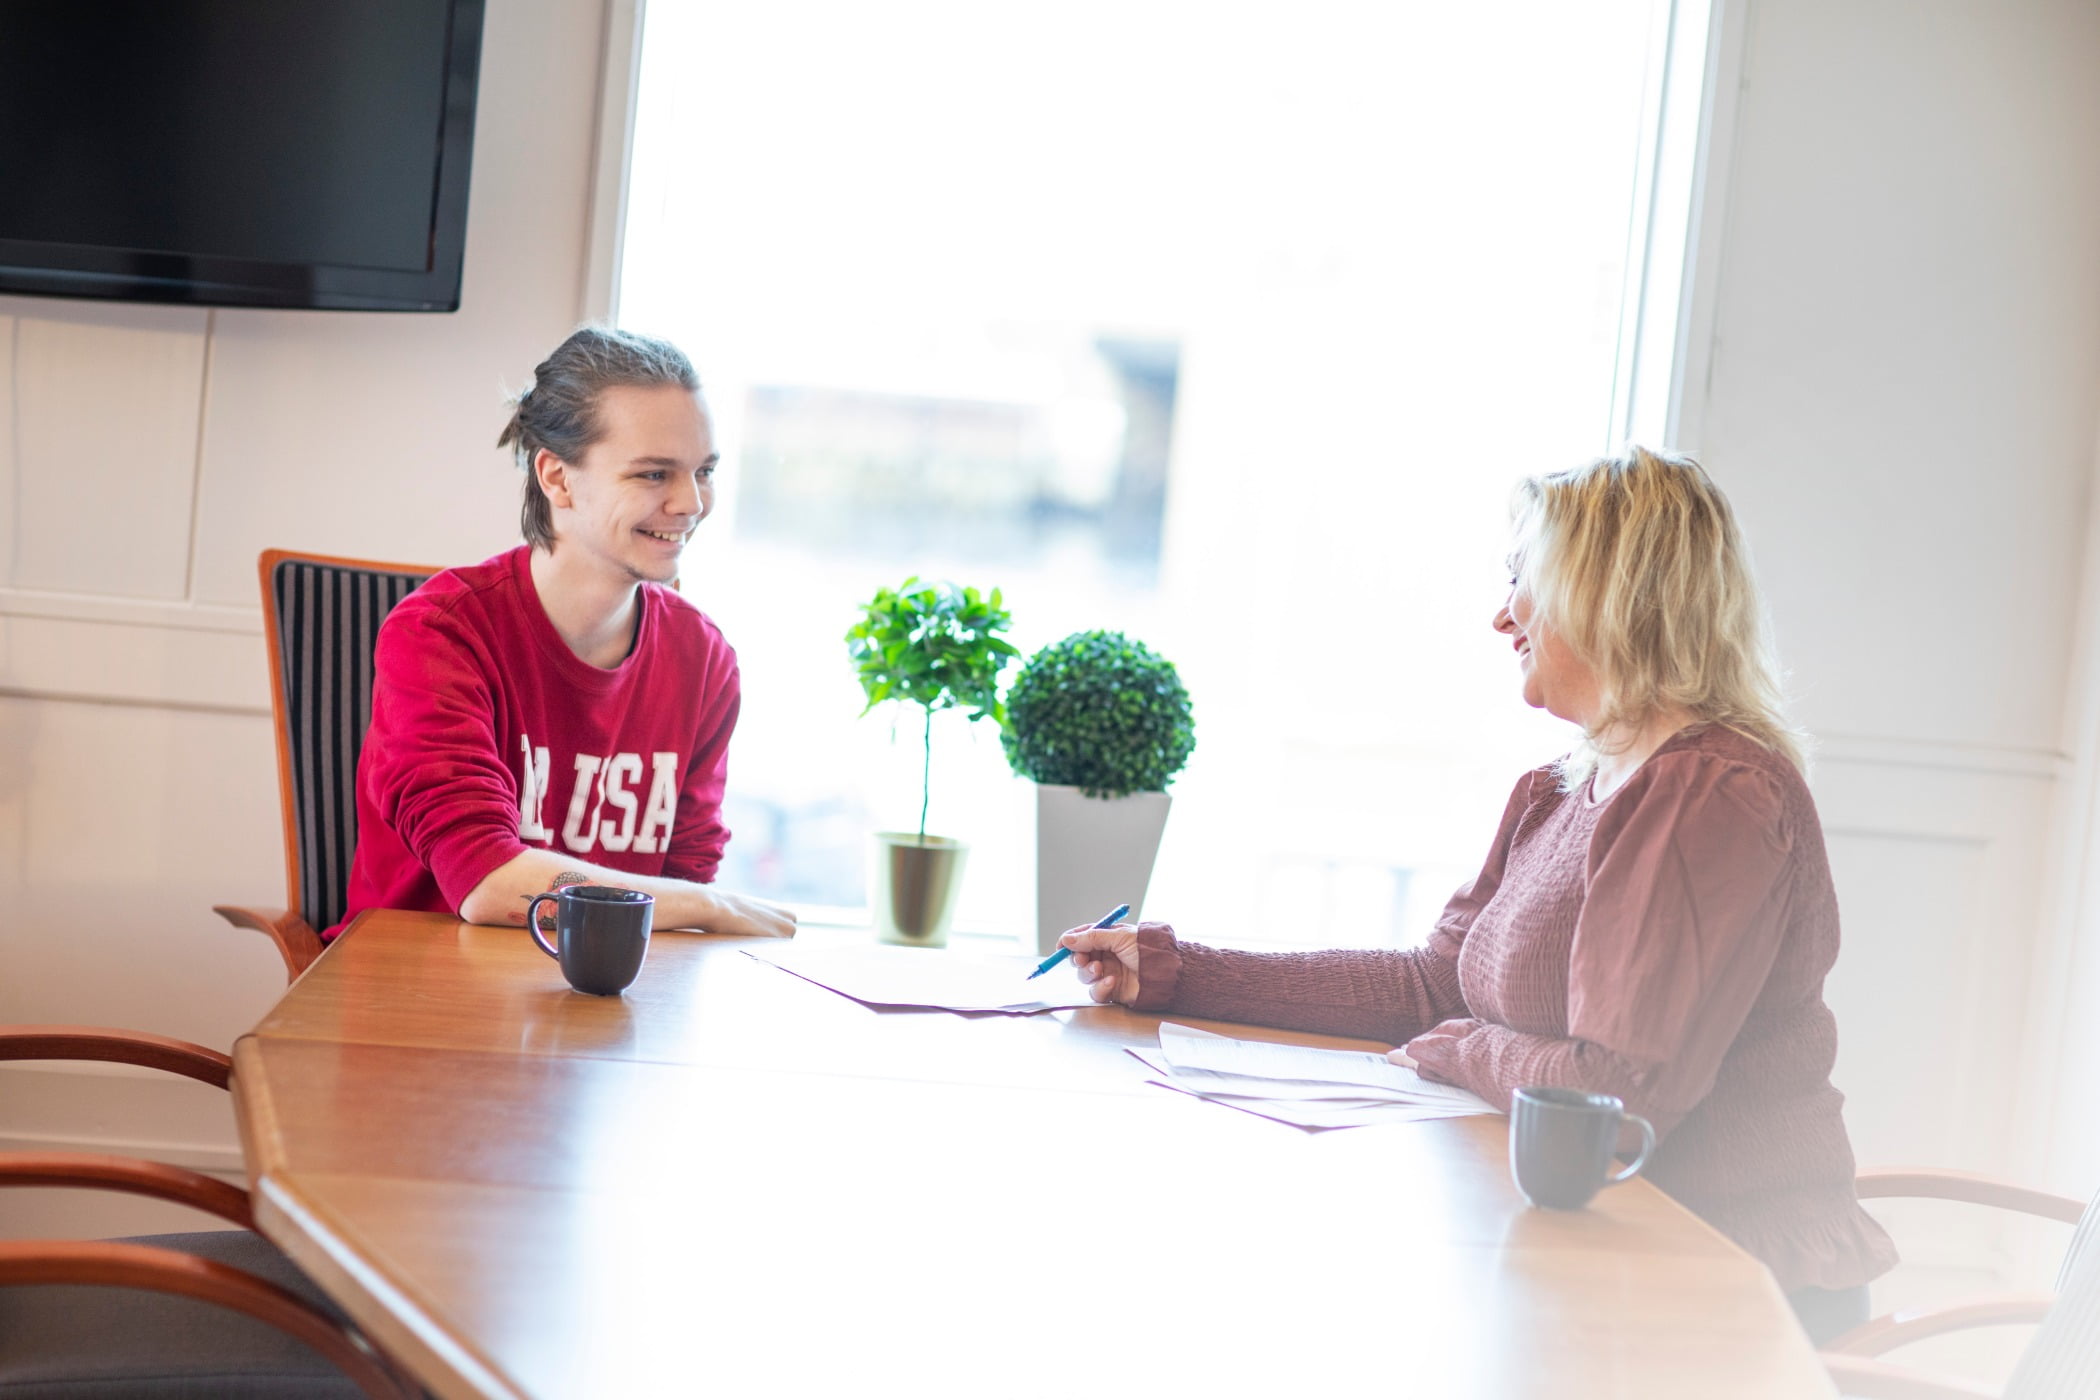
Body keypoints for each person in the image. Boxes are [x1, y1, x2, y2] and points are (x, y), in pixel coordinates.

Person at [1059, 446, 1896, 1342]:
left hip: (1720, 1281)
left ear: (1607, 589)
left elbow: (1614, 1099)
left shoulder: (1709, 794)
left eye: (1522, 577)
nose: (1503, 615)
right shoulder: (1564, 788)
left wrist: (1467, 1052)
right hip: (1594, 1245)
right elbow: (1433, 990)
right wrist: (1179, 973)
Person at [334, 326, 795, 941]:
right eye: (654, 474)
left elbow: (686, 884)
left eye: (703, 470)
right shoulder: (440, 634)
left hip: (589, 1011)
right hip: (413, 1002)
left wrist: (699, 908)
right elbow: (487, 882)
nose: (692, 503)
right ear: (556, 477)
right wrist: (711, 907)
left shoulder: (703, 659)